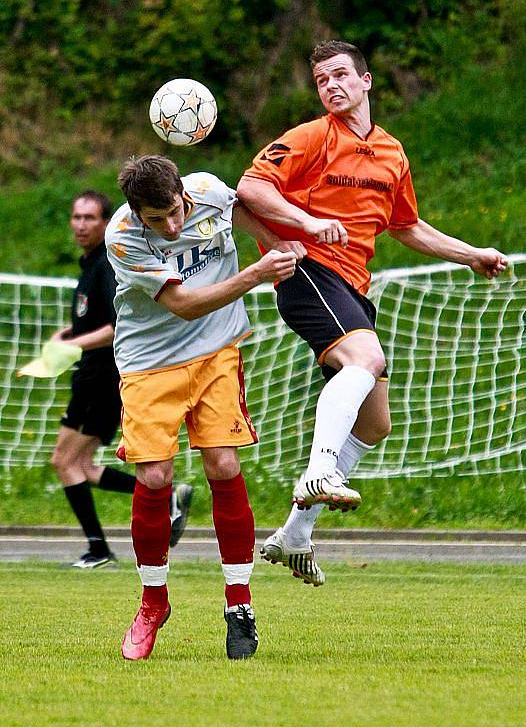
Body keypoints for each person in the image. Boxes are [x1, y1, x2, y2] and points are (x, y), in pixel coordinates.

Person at [237, 39, 508, 587]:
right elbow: (249, 189)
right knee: (366, 355)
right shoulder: (311, 137)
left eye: (340, 75)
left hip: (352, 287)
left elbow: (407, 226)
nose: (331, 85)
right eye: (321, 80)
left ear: (366, 82)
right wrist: (307, 226)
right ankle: (318, 471)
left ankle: (294, 534)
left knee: (375, 422)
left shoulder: (392, 152)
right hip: (306, 269)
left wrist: (471, 254)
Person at [106, 154, 296, 661]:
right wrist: (257, 272)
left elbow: (240, 212)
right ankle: (153, 602)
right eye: (156, 220)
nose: (170, 226)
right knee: (153, 480)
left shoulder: (209, 189)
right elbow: (185, 304)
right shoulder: (122, 236)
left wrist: (279, 247)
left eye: (175, 211)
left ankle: (239, 604)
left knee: (224, 464)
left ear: (185, 194)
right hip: (149, 362)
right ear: (136, 214)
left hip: (216, 351)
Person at [51, 190, 193, 568]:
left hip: (102, 376)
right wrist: (67, 334)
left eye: (90, 218)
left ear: (106, 222)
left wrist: (74, 344)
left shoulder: (106, 265)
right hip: (93, 376)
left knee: (65, 461)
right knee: (78, 466)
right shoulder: (90, 265)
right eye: (77, 217)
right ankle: (165, 498)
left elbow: (117, 325)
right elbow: (95, 318)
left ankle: (99, 549)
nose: (82, 225)